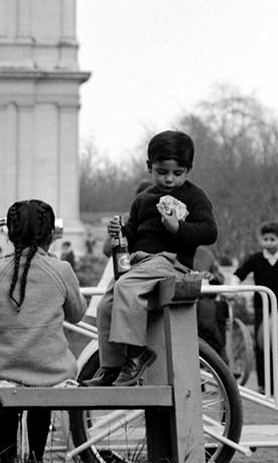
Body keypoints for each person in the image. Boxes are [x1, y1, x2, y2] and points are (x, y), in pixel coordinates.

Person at [83, 130, 218, 387]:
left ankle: (137, 355)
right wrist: (119, 233)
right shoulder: (142, 200)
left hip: (171, 262)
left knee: (125, 287)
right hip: (140, 262)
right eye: (161, 172)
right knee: (105, 305)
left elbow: (210, 232)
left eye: (177, 173)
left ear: (188, 170)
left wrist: (178, 228)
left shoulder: (193, 196)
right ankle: (111, 366)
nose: (169, 179)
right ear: (149, 168)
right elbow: (132, 234)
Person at [0, 199, 86, 463]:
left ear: (8, 233)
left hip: (4, 373)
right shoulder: (61, 271)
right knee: (40, 396)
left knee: (5, 400)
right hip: (53, 374)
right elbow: (77, 312)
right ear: (51, 235)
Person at [230, 222, 278, 395]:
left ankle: (277, 385)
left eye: (272, 239)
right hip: (261, 310)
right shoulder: (256, 259)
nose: (269, 243)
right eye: (265, 239)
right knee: (262, 345)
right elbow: (237, 275)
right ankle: (264, 385)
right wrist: (236, 291)